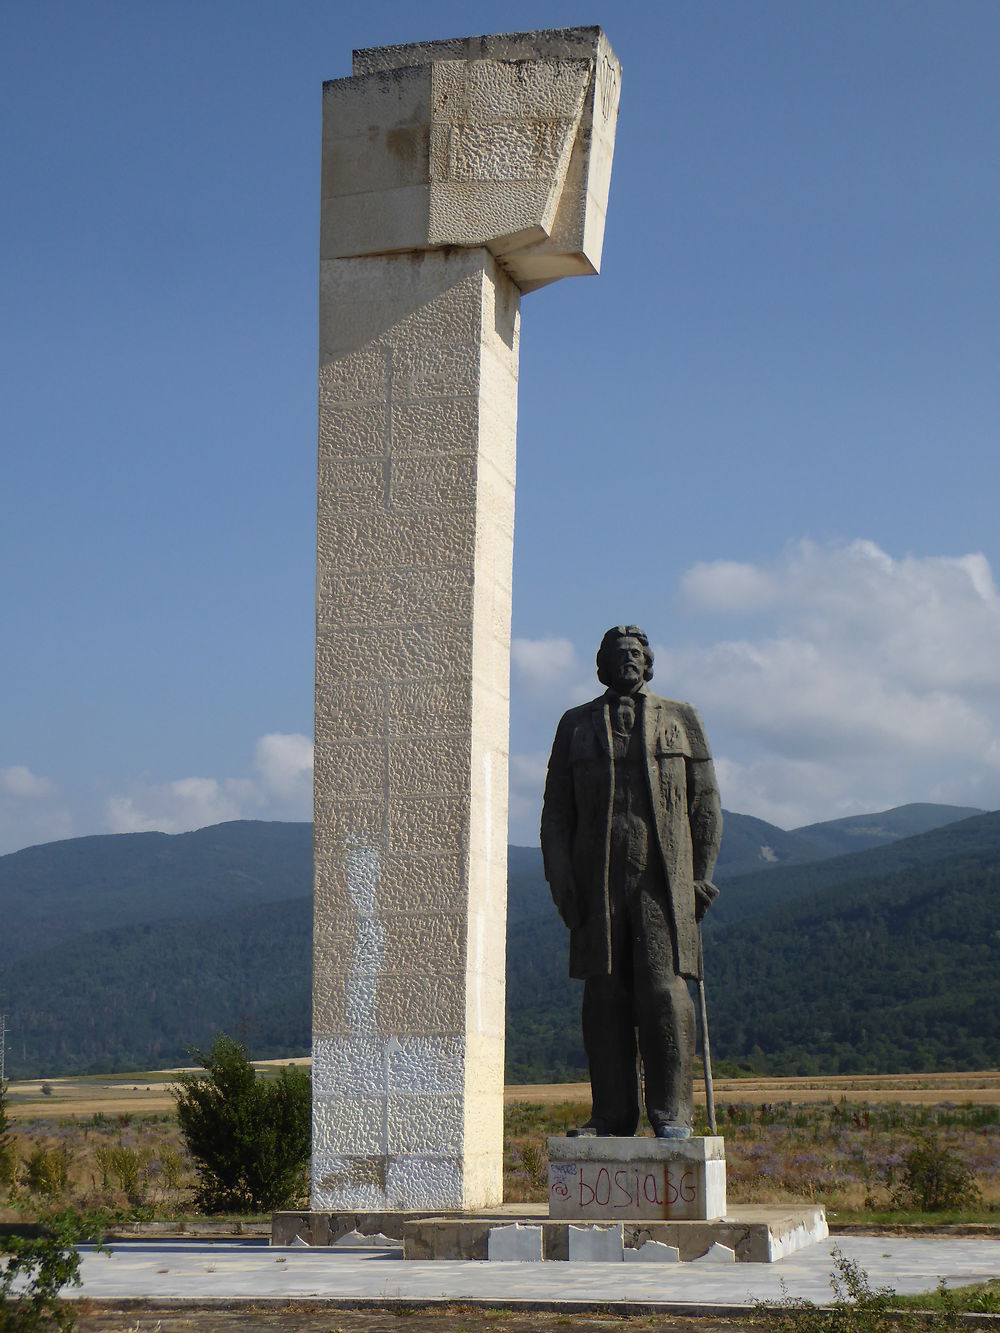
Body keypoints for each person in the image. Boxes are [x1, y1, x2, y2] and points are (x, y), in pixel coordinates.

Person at [540, 625, 722, 1138]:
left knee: (663, 991)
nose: (628, 660)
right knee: (604, 997)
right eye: (618, 654)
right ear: (601, 665)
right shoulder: (574, 724)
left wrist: (701, 877)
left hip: (662, 882)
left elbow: (705, 804)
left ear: (649, 662)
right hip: (597, 883)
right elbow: (556, 814)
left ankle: (672, 1114)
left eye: (636, 653)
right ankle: (612, 1114)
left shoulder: (681, 718)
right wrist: (562, 885)